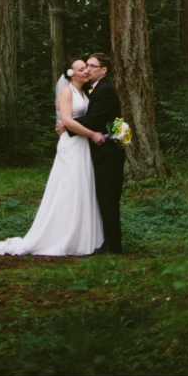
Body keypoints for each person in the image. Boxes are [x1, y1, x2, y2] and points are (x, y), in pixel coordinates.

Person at [0, 59, 105, 257]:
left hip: (83, 146)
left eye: (86, 68)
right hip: (72, 144)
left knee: (83, 185)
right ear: (71, 74)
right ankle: (63, 235)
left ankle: (83, 234)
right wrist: (90, 134)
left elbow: (80, 118)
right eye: (81, 69)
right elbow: (66, 120)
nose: (86, 71)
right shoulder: (67, 92)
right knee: (69, 185)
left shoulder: (86, 91)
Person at [59, 53, 125, 253]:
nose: (87, 69)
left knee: (108, 198)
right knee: (100, 197)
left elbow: (95, 119)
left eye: (92, 66)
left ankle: (113, 246)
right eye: (85, 65)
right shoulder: (90, 89)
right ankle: (100, 239)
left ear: (103, 71)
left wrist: (67, 124)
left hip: (108, 152)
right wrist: (63, 119)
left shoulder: (105, 91)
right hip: (94, 150)